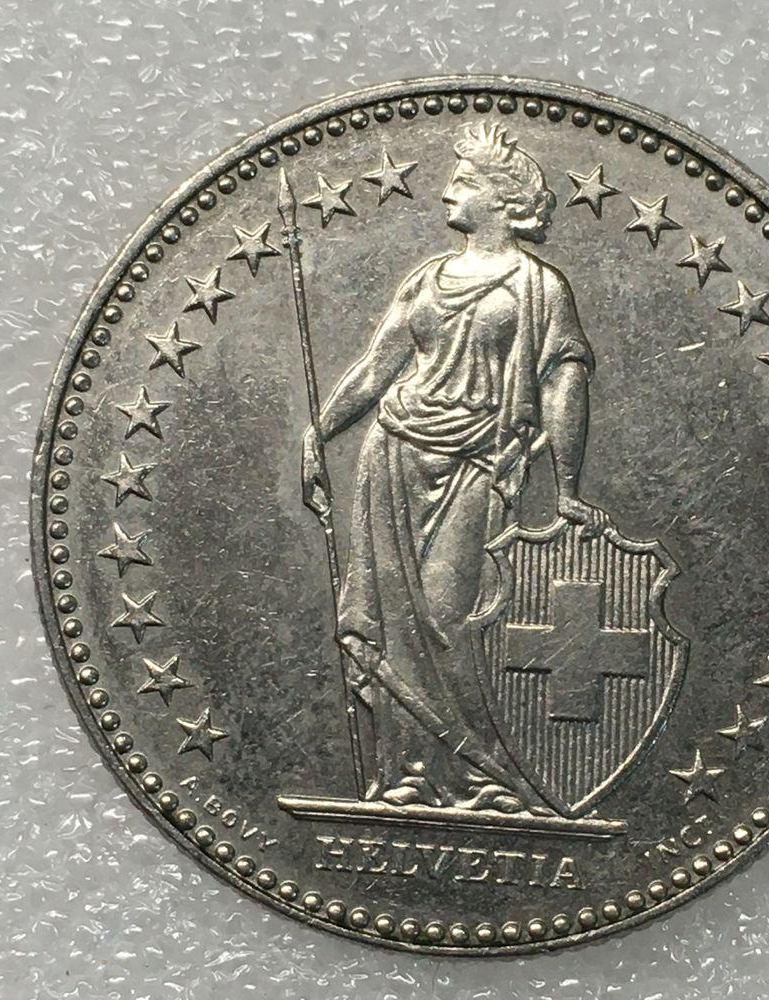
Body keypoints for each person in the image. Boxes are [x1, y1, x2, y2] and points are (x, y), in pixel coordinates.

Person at [302, 123, 605, 812]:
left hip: (478, 464)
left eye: (464, 181)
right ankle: (407, 775)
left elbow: (564, 383)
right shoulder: (426, 279)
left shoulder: (539, 286)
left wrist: (566, 488)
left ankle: (479, 775)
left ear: (503, 200)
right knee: (392, 621)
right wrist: (317, 434)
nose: (447, 191)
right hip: (394, 454)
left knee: (452, 617)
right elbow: (376, 368)